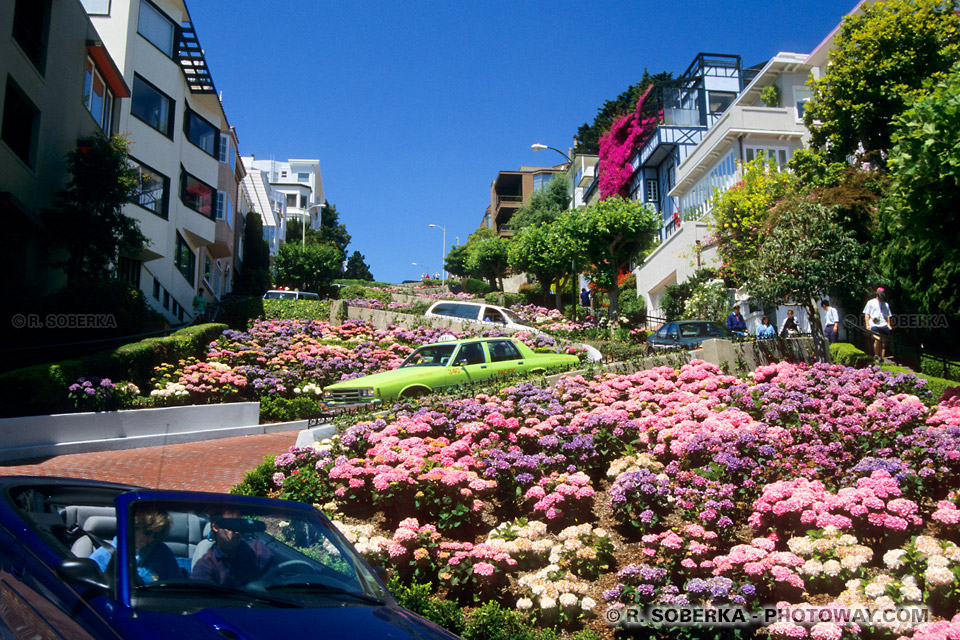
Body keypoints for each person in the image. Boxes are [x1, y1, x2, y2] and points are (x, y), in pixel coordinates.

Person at [89, 509, 181, 583]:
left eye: (156, 535)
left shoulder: (162, 552)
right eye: (147, 532)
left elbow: (177, 587)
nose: (151, 539)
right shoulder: (102, 557)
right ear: (132, 527)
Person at [191, 511, 275, 588]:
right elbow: (203, 599)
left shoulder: (257, 549)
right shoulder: (206, 565)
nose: (237, 531)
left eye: (240, 525)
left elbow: (275, 581)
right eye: (232, 525)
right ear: (215, 527)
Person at [863, 287, 893, 359]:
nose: (880, 296)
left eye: (882, 295)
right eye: (879, 294)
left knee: (883, 344)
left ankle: (882, 359)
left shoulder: (885, 304)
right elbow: (867, 314)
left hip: (883, 324)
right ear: (877, 294)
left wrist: (889, 325)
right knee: (877, 339)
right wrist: (867, 324)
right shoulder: (871, 302)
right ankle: (876, 355)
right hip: (874, 324)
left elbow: (888, 315)